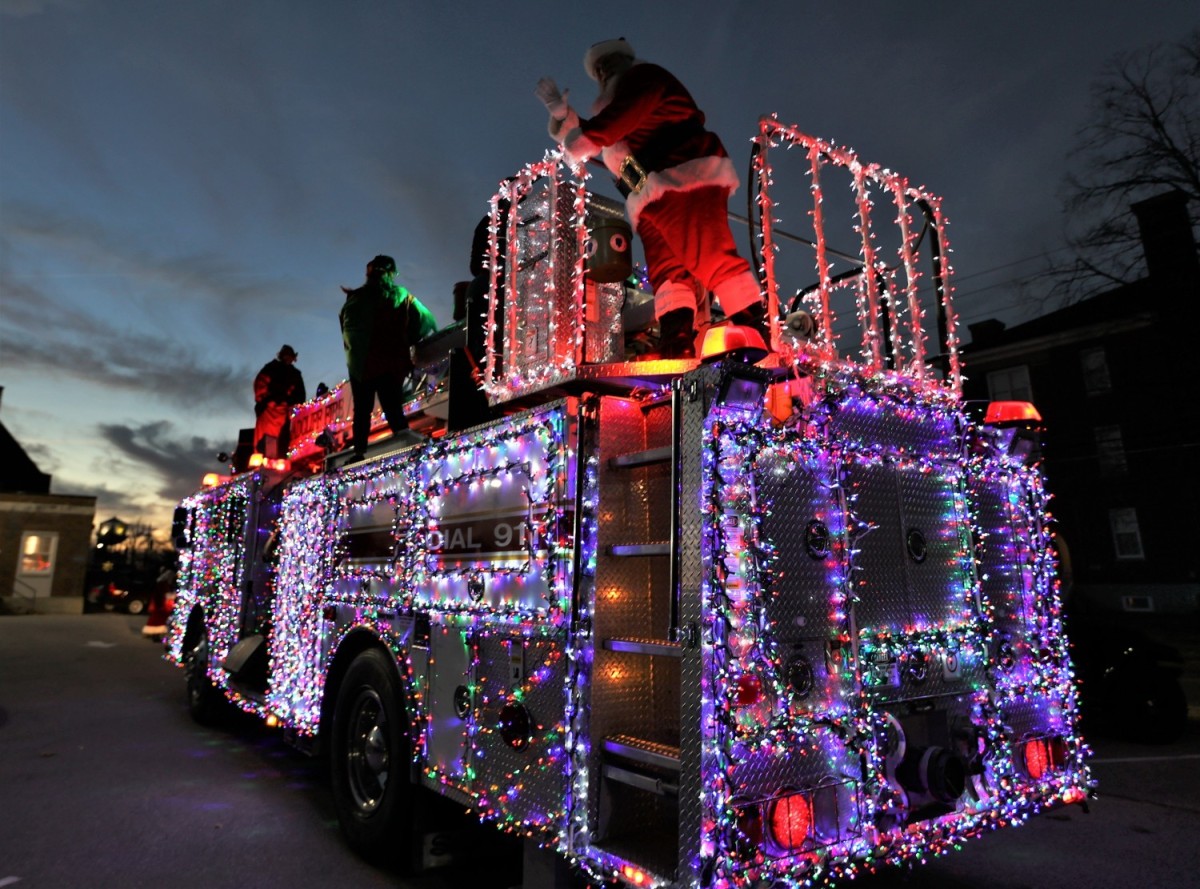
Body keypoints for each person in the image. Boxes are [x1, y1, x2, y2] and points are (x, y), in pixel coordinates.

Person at [535, 38, 768, 359]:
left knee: (709, 253)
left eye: (607, 64)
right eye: (598, 70)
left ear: (623, 61)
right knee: (667, 270)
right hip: (649, 194)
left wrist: (584, 138)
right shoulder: (620, 101)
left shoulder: (644, 80)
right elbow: (610, 132)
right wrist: (567, 122)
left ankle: (759, 328)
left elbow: (620, 119)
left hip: (682, 173)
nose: (603, 73)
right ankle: (676, 341)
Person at [339, 254, 437, 460]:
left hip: (360, 365)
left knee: (362, 411)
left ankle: (359, 452)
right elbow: (426, 319)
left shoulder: (354, 298)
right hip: (390, 363)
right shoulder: (400, 295)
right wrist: (409, 340)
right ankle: (409, 450)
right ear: (390, 273)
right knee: (392, 408)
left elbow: (345, 330)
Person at [253, 344, 306, 458]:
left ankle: (279, 457)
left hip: (285, 413)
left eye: (290, 356)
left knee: (283, 439)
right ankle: (264, 457)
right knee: (265, 439)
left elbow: (300, 395)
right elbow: (260, 385)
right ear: (282, 356)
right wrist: (269, 401)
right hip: (268, 412)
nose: (288, 358)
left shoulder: (295, 374)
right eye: (286, 355)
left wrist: (290, 404)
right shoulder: (271, 368)